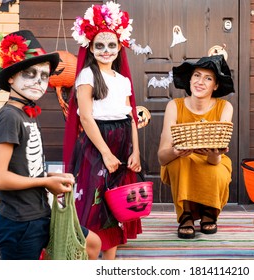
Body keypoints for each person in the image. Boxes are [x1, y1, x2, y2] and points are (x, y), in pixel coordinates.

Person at [0, 30, 101, 260]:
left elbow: (23, 167)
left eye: (44, 75)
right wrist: (46, 182)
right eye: (30, 73)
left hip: (39, 214)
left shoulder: (27, 114)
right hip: (20, 223)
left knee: (92, 244)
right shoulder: (10, 117)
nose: (39, 81)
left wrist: (51, 177)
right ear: (11, 77)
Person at [63, 2, 142, 260]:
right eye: (99, 45)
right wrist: (106, 154)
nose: (106, 50)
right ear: (91, 47)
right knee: (93, 198)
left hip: (122, 139)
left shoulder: (123, 80)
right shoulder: (87, 75)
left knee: (114, 202)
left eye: (111, 45)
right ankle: (86, 255)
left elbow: (131, 116)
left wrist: (136, 151)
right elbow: (85, 117)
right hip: (97, 142)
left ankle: (109, 262)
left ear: (120, 47)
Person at [158, 54, 234, 239]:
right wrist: (177, 151)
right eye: (197, 76)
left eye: (208, 78)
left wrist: (215, 154)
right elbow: (162, 157)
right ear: (190, 79)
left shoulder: (225, 107)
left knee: (217, 170)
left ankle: (210, 211)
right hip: (181, 157)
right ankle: (186, 214)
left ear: (215, 85)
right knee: (180, 162)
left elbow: (215, 159)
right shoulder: (174, 106)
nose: (200, 82)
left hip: (212, 159)